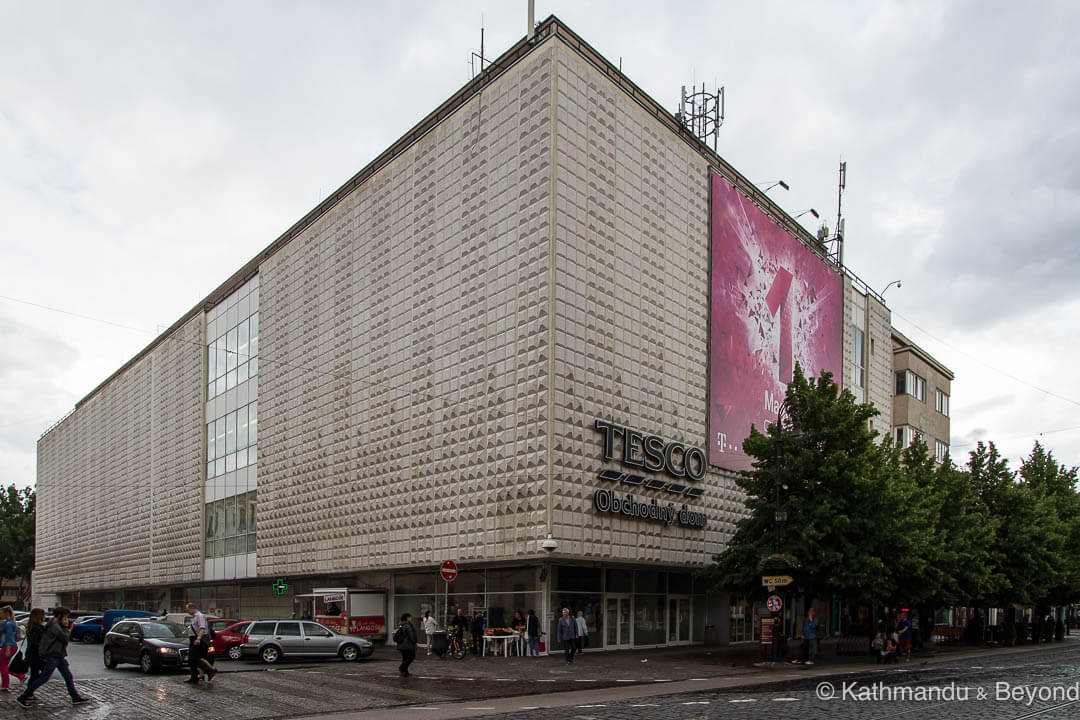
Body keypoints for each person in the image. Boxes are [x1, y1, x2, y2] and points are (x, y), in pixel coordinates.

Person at [15, 607, 90, 707]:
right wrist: (66, 628)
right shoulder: (55, 626)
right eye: (65, 617)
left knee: (68, 676)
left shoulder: (54, 624)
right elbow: (64, 638)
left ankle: (75, 697)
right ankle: (23, 697)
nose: (67, 619)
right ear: (60, 616)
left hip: (59, 655)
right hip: (54, 655)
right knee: (44, 678)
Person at [185, 602, 217, 684]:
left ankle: (210, 671)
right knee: (193, 659)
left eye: (188, 609)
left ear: (193, 608)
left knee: (195, 658)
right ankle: (195, 677)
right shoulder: (195, 617)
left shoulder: (199, 616)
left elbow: (202, 628)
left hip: (198, 639)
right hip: (194, 638)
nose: (187, 611)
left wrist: (198, 638)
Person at [22, 608, 46, 700]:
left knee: (35, 674)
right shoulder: (37, 628)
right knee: (42, 673)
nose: (44, 617)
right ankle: (29, 691)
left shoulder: (32, 626)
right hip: (36, 655)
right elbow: (35, 643)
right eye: (43, 615)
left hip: (32, 654)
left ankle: (29, 691)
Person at [1, 605, 26, 691]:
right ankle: (20, 676)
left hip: (8, 646)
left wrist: (7, 649)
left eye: (1, 613)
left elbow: (9, 637)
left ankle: (5, 685)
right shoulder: (9, 622)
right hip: (9, 646)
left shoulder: (9, 624)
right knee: (3, 665)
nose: (0, 615)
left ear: (6, 613)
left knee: (3, 665)